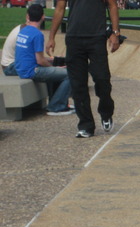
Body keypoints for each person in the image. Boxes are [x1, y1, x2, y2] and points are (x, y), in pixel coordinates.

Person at [47, 0, 121, 138]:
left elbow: (112, 5)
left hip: (96, 38)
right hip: (74, 39)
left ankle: (106, 113)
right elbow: (59, 8)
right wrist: (51, 37)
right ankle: (86, 125)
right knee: (78, 85)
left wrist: (115, 33)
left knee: (102, 79)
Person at [14, 4, 74, 116]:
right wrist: (53, 67)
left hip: (21, 69)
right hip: (32, 71)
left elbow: (30, 55)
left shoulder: (23, 31)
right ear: (43, 17)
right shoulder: (37, 34)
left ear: (28, 16)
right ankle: (56, 105)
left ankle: (56, 101)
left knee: (55, 70)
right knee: (71, 74)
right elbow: (40, 61)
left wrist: (51, 63)